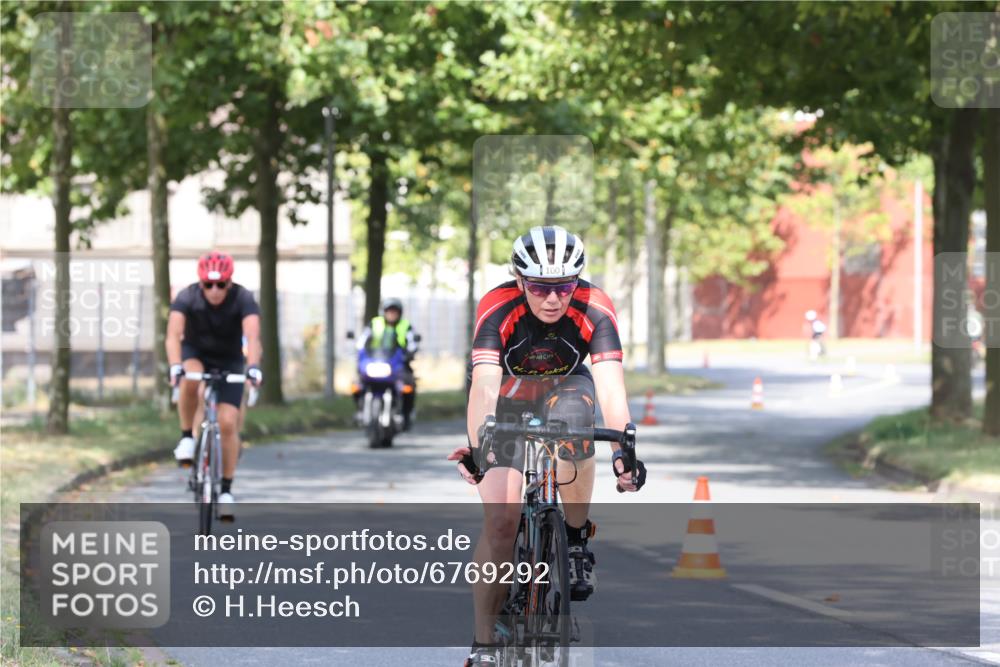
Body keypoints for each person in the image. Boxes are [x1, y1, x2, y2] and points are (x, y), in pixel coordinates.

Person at [447, 225, 647, 667]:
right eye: (540, 287)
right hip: (503, 399)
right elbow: (482, 386)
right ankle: (482, 643)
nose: (553, 298)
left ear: (578, 282)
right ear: (520, 281)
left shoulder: (595, 308)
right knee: (501, 522)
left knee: (580, 422)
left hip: (566, 391)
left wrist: (623, 451)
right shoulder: (497, 307)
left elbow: (612, 391)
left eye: (564, 286)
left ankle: (574, 541)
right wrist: (481, 445)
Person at [166, 251, 262, 518]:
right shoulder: (187, 297)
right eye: (209, 284)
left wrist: (253, 366)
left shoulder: (243, 298)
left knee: (229, 422)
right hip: (196, 353)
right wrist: (175, 364)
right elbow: (173, 335)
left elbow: (253, 338)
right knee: (191, 379)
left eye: (221, 285)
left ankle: (227, 489)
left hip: (230, 359)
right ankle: (187, 437)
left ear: (230, 283)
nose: (215, 291)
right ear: (201, 283)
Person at [353, 298, 419, 429]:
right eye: (389, 311)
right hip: (376, 361)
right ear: (384, 312)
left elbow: (412, 343)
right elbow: (362, 341)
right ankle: (360, 410)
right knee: (357, 384)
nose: (392, 314)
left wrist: (410, 353)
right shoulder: (375, 323)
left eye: (394, 311)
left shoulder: (405, 325)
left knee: (409, 384)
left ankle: (406, 414)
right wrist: (358, 351)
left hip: (398, 363)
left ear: (399, 313)